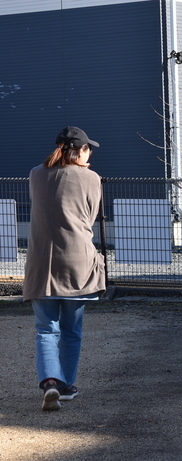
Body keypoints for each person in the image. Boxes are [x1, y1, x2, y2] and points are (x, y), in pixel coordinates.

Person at [24, 126, 106, 411]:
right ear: (79, 151)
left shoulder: (35, 174)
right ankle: (66, 386)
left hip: (40, 264)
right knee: (71, 330)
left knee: (46, 329)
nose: (90, 155)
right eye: (87, 150)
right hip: (77, 262)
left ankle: (49, 382)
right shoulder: (90, 178)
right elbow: (91, 215)